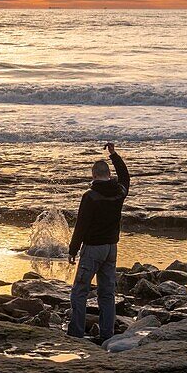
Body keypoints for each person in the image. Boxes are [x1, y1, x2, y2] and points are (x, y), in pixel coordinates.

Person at [67, 142, 130, 342]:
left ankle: (76, 333)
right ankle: (107, 335)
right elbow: (126, 177)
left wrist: (73, 249)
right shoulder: (119, 192)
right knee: (107, 293)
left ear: (93, 175)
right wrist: (114, 155)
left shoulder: (90, 196)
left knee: (80, 291)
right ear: (109, 175)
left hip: (93, 249)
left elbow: (81, 225)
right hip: (111, 248)